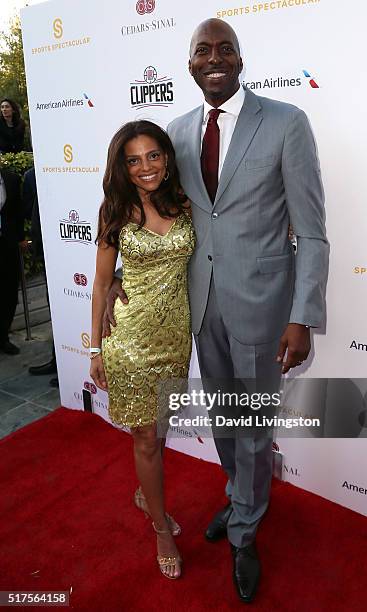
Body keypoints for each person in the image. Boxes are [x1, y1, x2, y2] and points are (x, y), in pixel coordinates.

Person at [106, 19, 329, 602]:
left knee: (253, 424)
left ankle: (246, 531)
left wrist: (302, 315)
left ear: (239, 58)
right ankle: (239, 498)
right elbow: (143, 207)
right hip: (197, 310)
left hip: (264, 308)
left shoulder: (286, 123)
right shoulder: (174, 133)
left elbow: (312, 231)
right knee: (227, 420)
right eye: (202, 50)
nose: (214, 58)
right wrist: (121, 282)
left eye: (224, 48)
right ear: (189, 64)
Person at [90, 120, 195, 580]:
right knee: (147, 437)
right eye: (133, 160)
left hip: (175, 338)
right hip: (129, 340)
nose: (145, 167)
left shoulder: (186, 202)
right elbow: (99, 284)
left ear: (167, 157)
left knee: (161, 425)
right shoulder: (116, 210)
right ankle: (160, 529)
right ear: (122, 166)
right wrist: (96, 349)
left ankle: (144, 493)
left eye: (153, 155)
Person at [22, 167, 58, 384]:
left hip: (76, 253)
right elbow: (32, 211)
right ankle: (59, 360)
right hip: (49, 253)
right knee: (55, 308)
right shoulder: (35, 174)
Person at [0, 167, 26, 354]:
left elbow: (17, 213)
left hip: (7, 246)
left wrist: (20, 238)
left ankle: (3, 338)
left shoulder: (11, 179)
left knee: (8, 293)